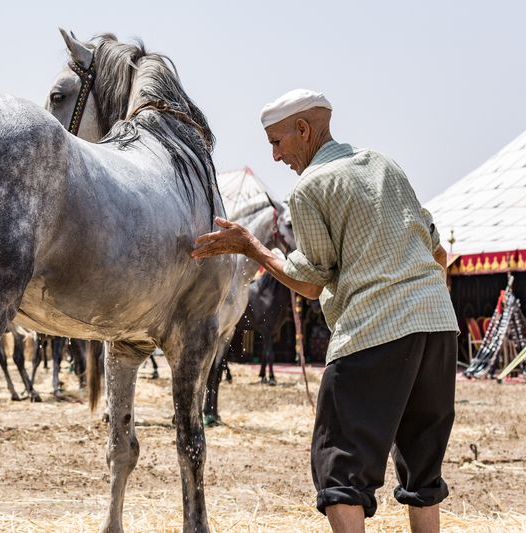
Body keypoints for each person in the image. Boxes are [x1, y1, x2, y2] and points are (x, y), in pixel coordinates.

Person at [192, 89, 458, 533]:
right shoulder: (385, 165)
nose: (276, 156)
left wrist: (252, 247)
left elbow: (310, 283)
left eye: (277, 142)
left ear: (303, 129)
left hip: (375, 329)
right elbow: (439, 255)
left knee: (339, 471)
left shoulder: (312, 186)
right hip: (438, 330)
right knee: (423, 467)